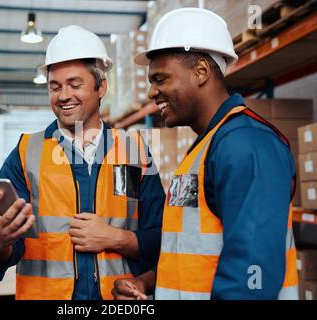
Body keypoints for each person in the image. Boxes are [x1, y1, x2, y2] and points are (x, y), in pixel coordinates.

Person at [112, 8, 299, 300]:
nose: (152, 92)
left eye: (161, 79)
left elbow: (252, 277)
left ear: (201, 72)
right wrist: (150, 281)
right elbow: (196, 251)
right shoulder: (208, 147)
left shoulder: (245, 145)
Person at [0, 25, 165, 300]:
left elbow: (160, 238)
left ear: (102, 87)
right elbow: (7, 250)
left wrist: (116, 238)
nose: (64, 96)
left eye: (75, 85)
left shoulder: (134, 152)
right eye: (55, 87)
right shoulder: (27, 153)